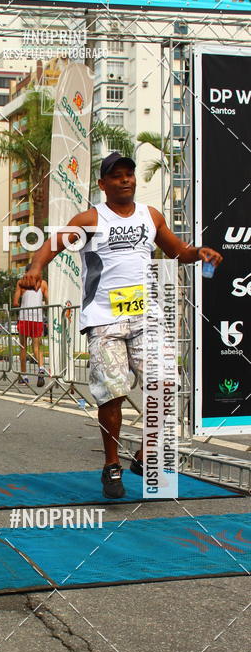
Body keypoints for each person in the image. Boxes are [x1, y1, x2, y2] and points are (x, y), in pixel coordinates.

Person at [22, 151, 222, 498]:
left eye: (129, 174)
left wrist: (199, 252)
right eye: (117, 176)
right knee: (112, 392)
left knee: (166, 384)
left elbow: (177, 251)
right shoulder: (89, 219)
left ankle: (145, 454)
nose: (125, 179)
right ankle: (111, 464)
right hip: (103, 318)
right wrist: (35, 269)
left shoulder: (151, 216)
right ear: (102, 184)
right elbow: (51, 246)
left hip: (147, 315)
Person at [13, 264, 48, 387]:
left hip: (24, 318)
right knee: (37, 347)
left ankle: (24, 376)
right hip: (37, 319)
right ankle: (41, 368)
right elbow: (49, 301)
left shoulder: (22, 283)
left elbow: (15, 302)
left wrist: (21, 298)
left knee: (23, 347)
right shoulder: (43, 283)